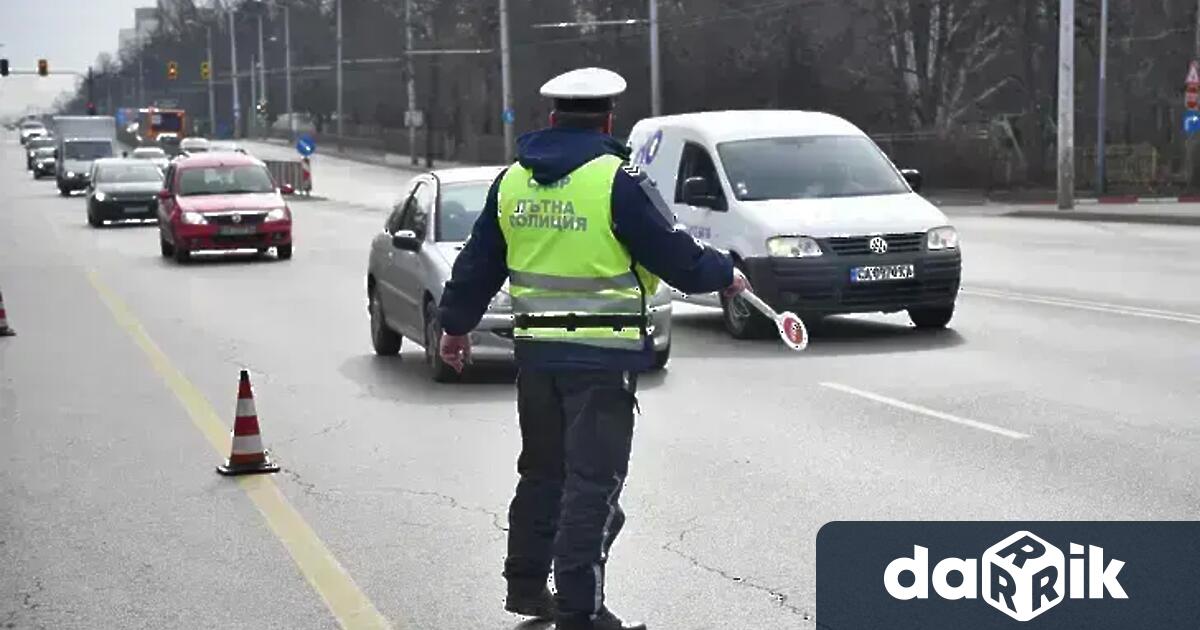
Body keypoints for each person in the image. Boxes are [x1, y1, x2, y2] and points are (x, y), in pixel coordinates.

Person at [437, 67, 749, 630]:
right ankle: (582, 611)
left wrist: (454, 328)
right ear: (609, 119)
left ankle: (528, 587)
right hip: (601, 361)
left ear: (551, 117)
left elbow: (476, 264)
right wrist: (725, 273)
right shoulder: (616, 180)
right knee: (593, 486)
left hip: (536, 360)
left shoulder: (513, 181)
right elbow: (674, 254)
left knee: (541, 474)